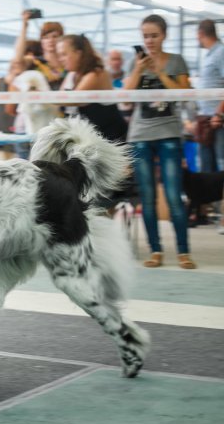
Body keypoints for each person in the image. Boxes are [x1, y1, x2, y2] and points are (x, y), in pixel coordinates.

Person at [123, 14, 195, 269]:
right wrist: (138, 70)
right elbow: (125, 100)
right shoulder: (135, 62)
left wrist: (159, 72)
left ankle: (184, 251)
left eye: (154, 35)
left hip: (169, 134)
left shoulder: (176, 61)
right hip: (140, 135)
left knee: (174, 195)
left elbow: (184, 96)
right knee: (147, 196)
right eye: (145, 36)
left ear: (164, 35)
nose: (149, 41)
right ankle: (156, 250)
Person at [57, 35, 128, 143]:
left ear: (78, 53)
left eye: (64, 54)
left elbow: (72, 99)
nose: (60, 59)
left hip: (109, 139)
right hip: (88, 140)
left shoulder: (97, 73)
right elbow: (59, 99)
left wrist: (40, 96)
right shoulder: (71, 75)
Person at [196, 19, 224, 173]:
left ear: (200, 33)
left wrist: (218, 113)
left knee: (221, 164)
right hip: (208, 120)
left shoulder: (221, 52)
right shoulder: (209, 54)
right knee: (208, 167)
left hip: (218, 121)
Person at [13, 11, 65, 90]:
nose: (50, 40)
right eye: (46, 37)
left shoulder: (68, 64)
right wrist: (24, 26)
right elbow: (18, 59)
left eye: (55, 36)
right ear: (41, 41)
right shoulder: (34, 61)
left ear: (62, 39)